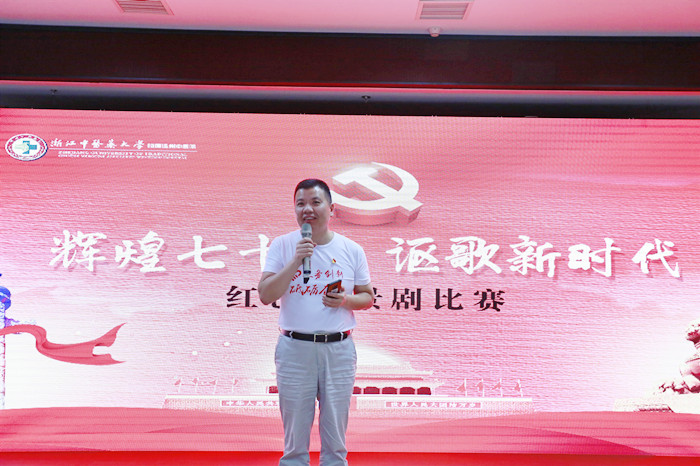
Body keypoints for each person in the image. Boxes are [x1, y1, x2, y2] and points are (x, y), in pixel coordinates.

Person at [258, 178, 374, 466]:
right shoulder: (283, 245)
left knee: (335, 434)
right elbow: (266, 294)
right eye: (300, 204)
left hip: (338, 349)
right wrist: (296, 260)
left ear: (331, 209)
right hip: (294, 349)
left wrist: (345, 300)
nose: (307, 209)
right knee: (295, 436)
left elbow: (367, 297)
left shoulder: (351, 249)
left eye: (315, 202)